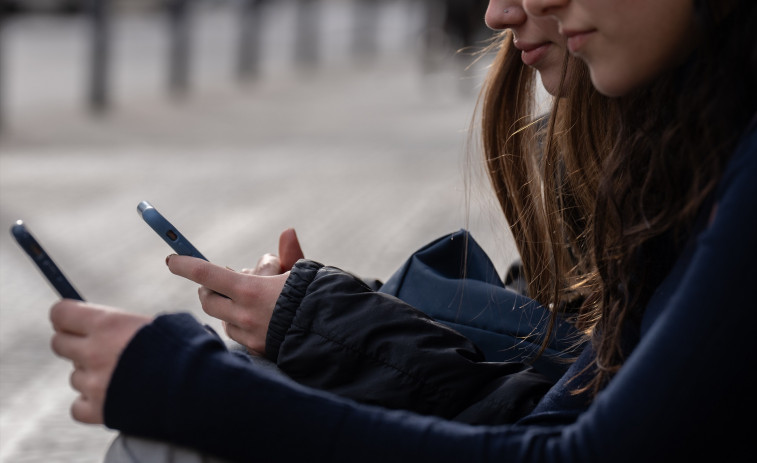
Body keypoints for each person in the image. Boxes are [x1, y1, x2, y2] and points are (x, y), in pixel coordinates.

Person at [48, 0, 756, 461]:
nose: (506, 11)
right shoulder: (675, 150)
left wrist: (194, 386)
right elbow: (550, 415)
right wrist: (326, 324)